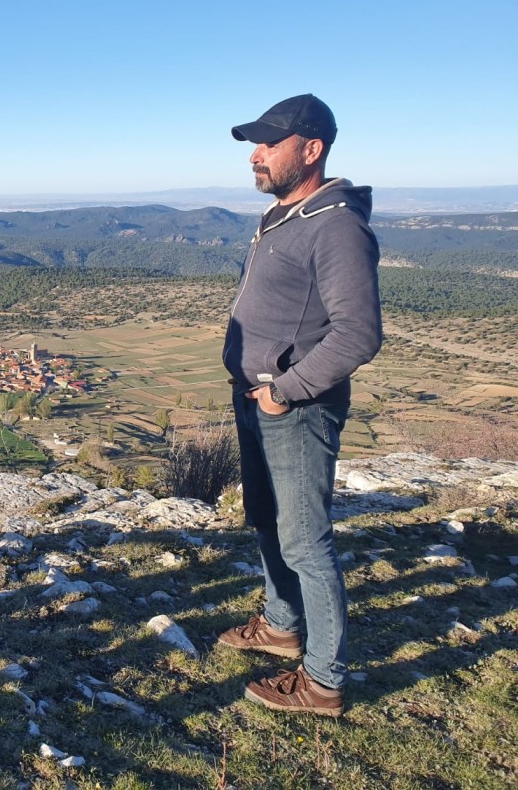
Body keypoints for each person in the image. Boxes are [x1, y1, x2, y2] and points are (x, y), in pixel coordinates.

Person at [218, 94, 382, 717]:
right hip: (258, 397)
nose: (255, 155)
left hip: (295, 407)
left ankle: (324, 680)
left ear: (310, 149)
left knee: (306, 542)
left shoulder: (336, 225)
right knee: (266, 518)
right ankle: (282, 625)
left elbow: (358, 332)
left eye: (269, 144)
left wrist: (286, 391)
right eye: (254, 145)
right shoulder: (285, 214)